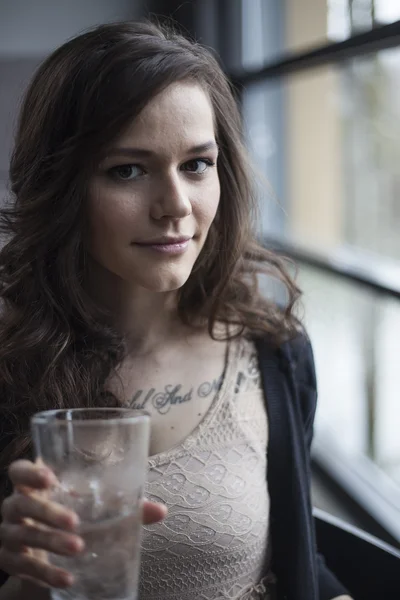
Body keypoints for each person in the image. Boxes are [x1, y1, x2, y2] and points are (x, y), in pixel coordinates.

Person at [0, 20, 353, 600]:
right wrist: (26, 583)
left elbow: (296, 554)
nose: (175, 206)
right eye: (128, 170)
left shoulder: (273, 351)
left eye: (196, 165)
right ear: (61, 186)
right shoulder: (13, 367)